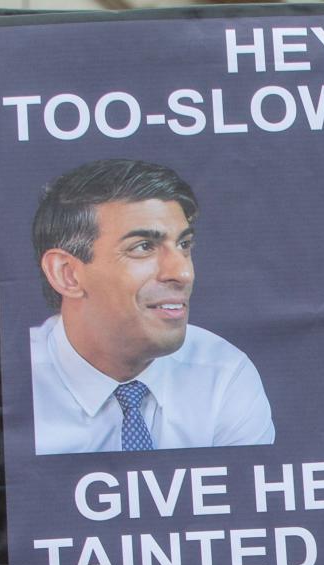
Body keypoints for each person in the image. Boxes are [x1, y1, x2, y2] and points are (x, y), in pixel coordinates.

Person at [29, 159, 275, 455]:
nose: (183, 273)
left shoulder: (223, 374)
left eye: (184, 245)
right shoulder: (19, 385)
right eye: (143, 247)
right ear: (66, 273)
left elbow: (242, 499)